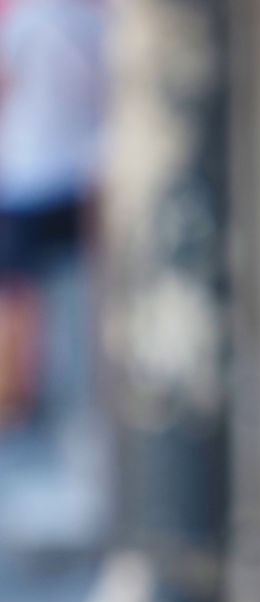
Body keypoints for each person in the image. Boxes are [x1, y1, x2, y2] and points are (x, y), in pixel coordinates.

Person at [0, 0, 106, 554]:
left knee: (19, 300)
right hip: (81, 171)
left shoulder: (28, 21)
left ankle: (16, 396)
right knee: (73, 298)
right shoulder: (90, 19)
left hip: (28, 173)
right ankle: (43, 399)